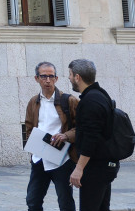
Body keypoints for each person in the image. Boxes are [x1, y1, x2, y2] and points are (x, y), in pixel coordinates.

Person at [23, 61, 78, 211]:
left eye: (51, 76)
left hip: (62, 160)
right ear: (37, 78)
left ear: (56, 78)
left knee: (65, 202)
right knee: (33, 201)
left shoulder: (69, 100)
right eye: (43, 76)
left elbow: (82, 128)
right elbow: (29, 128)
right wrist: (35, 146)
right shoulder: (33, 102)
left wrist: (66, 135)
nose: (48, 80)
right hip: (39, 158)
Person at [67, 59, 119, 211]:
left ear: (77, 77)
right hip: (104, 165)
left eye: (70, 74)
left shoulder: (90, 101)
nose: (69, 78)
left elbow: (91, 138)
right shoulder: (100, 95)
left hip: (96, 167)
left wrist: (79, 168)